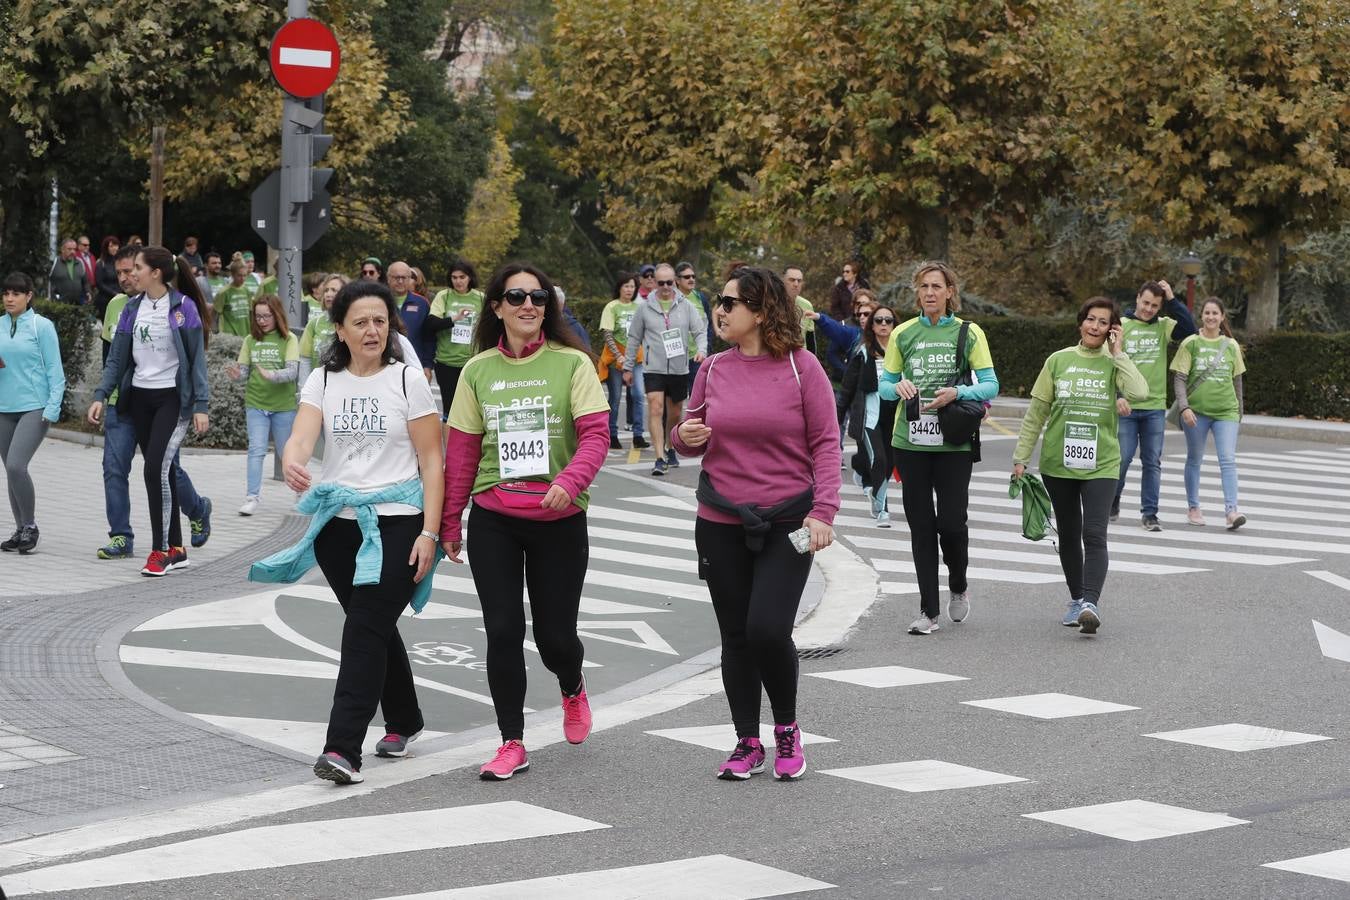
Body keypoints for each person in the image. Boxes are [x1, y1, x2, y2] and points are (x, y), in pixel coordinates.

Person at [255, 280, 443, 785]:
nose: (372, 330)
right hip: (338, 527)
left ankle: (342, 749)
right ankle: (405, 720)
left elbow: (432, 459)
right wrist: (293, 462)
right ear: (339, 328)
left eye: (380, 320)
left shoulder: (408, 381)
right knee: (373, 625)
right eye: (360, 321)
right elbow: (301, 437)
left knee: (363, 628)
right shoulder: (323, 380)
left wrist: (431, 532)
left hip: (399, 522)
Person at [440, 262, 610, 781]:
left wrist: (570, 481)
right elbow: (463, 452)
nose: (528, 306)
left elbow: (597, 436)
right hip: (495, 516)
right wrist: (451, 520)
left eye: (538, 298)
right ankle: (511, 741)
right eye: (516, 297)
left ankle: (572, 684)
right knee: (503, 630)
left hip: (559, 516)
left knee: (557, 637)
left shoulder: (573, 364)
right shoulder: (477, 370)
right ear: (497, 307)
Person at [671, 266, 840, 781]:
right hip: (720, 517)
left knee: (768, 629)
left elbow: (827, 444)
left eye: (730, 303)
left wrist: (823, 512)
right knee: (736, 635)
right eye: (720, 303)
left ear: (762, 311)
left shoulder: (801, 367)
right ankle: (747, 740)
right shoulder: (713, 368)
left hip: (788, 519)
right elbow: (685, 435)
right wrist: (685, 436)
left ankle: (786, 729)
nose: (720, 311)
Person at [1012, 297, 1148, 634]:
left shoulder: (1114, 364)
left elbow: (1140, 392)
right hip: (1058, 463)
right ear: (1080, 323)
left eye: (1103, 323)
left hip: (1102, 463)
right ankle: (1076, 599)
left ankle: (1091, 602)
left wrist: (1119, 354)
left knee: (1095, 533)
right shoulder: (1058, 361)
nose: (1095, 327)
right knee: (1070, 534)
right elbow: (1037, 413)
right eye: (1091, 320)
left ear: (1111, 330)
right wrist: (1021, 456)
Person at [880, 262, 999, 635]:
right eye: (923, 286)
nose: (929, 293)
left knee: (950, 523)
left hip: (952, 442)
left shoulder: (969, 332)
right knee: (921, 527)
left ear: (950, 292)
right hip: (910, 440)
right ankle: (928, 611)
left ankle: (958, 584)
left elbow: (991, 385)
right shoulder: (903, 333)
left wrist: (958, 393)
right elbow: (885, 384)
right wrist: (896, 388)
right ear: (917, 292)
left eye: (936, 286)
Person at [88, 246, 211, 577]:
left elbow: (197, 358)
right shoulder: (130, 309)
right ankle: (179, 548)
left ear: (155, 273)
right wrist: (101, 394)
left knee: (154, 468)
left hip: (172, 399)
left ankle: (159, 552)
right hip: (139, 399)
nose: (131, 274)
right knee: (165, 471)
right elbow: (117, 359)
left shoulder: (183, 308)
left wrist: (201, 404)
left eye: (137, 268)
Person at [1112, 279, 1197, 528]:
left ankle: (1150, 513)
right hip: (1126, 405)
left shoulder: (1163, 326)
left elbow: (1189, 329)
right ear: (1138, 298)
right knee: (1123, 458)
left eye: (1155, 305)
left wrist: (1172, 299)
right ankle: (1113, 500)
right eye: (1146, 302)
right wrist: (1118, 396)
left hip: (1154, 407)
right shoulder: (1122, 326)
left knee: (1152, 461)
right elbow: (1111, 363)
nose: (1149, 309)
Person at [0, 272, 65, 555]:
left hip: (34, 407)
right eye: (6, 293)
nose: (9, 298)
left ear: (29, 296)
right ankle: (19, 529)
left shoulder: (42, 326)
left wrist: (52, 407)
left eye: (16, 293)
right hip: (3, 407)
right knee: (10, 471)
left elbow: (55, 370)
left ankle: (30, 526)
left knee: (16, 465)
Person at [623, 262, 707, 476]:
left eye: (670, 282)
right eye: (661, 283)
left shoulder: (686, 305)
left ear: (675, 282)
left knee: (675, 412)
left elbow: (700, 331)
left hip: (679, 368)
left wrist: (702, 350)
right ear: (654, 284)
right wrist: (628, 367)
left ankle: (670, 447)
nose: (666, 287)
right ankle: (659, 457)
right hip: (654, 367)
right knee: (655, 407)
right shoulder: (644, 308)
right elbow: (633, 339)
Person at [1173, 297, 1248, 531]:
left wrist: (1239, 412)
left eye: (1215, 313)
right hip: (1196, 413)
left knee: (1228, 459)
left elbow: (1237, 381)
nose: (1211, 317)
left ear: (1222, 317)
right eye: (1207, 313)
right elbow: (1180, 379)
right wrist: (1184, 407)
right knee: (1195, 459)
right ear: (1202, 316)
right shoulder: (1191, 343)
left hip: (1226, 412)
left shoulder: (1231, 345)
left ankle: (1231, 511)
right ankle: (1193, 507)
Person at [227, 294, 300, 516]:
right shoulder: (250, 340)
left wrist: (272, 375)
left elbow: (292, 372)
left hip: (283, 405)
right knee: (256, 450)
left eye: (266, 316)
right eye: (258, 316)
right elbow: (244, 373)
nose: (261, 320)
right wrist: (236, 375)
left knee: (287, 453)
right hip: (256, 403)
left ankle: (300, 495)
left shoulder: (289, 339)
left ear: (276, 315)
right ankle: (251, 498)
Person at [840, 303, 899, 526]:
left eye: (888, 320)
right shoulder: (863, 352)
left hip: (894, 419)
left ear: (894, 325)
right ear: (872, 326)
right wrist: (837, 419)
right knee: (879, 459)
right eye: (879, 320)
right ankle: (882, 509)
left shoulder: (901, 351)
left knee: (889, 463)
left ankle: (876, 495)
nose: (884, 324)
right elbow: (847, 389)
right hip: (870, 418)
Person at [425, 260, 483, 419]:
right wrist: (454, 319)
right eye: (454, 277)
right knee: (449, 412)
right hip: (447, 361)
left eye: (462, 277)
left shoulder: (480, 298)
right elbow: (431, 323)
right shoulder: (444, 296)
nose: (458, 281)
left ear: (470, 277)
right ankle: (450, 445)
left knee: (472, 410)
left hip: (471, 361)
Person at [598, 272, 649, 451]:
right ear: (619, 288)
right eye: (626, 286)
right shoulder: (611, 307)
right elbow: (607, 334)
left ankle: (638, 434)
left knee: (638, 395)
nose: (629, 290)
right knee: (615, 398)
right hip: (616, 360)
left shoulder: (640, 308)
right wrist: (619, 356)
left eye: (632, 286)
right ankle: (612, 434)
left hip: (636, 360)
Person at [387, 261, 434, 382]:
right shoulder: (379, 301)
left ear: (410, 279)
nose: (400, 281)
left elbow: (429, 337)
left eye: (404, 277)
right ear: (388, 278)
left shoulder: (422, 303)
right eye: (396, 277)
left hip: (414, 365)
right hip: (385, 364)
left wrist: (427, 365)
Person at [300, 274, 347, 384]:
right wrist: (303, 388)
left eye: (334, 290)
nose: (328, 294)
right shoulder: (314, 323)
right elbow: (304, 360)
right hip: (318, 386)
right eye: (326, 290)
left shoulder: (352, 323)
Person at [677, 262, 712, 391]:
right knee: (674, 400)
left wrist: (706, 348)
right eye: (686, 277)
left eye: (693, 276)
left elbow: (707, 325)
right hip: (676, 357)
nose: (691, 279)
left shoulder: (700, 297)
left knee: (697, 395)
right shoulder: (670, 298)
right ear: (677, 280)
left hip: (697, 355)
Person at [215, 256, 254, 337]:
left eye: (245, 275)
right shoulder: (223, 292)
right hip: (229, 335)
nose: (242, 278)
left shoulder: (247, 290)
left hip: (245, 333)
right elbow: (216, 314)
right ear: (232, 274)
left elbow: (250, 312)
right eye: (239, 275)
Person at [47, 238, 89, 306]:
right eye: (69, 249)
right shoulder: (54, 262)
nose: (72, 252)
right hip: (60, 306)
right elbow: (49, 282)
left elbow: (85, 281)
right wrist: (52, 299)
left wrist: (88, 292)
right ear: (62, 249)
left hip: (78, 304)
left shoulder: (80, 262)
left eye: (74, 249)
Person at [784, 265, 816, 354]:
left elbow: (810, 339)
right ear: (783, 281)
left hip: (801, 358)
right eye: (792, 280)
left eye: (799, 281)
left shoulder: (807, 305)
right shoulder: (772, 303)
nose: (796, 284)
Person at [826, 258, 868, 322]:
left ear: (855, 274)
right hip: (845, 323)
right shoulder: (838, 289)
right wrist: (842, 321)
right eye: (843, 272)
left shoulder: (864, 286)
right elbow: (835, 308)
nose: (844, 274)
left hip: (863, 321)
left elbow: (870, 304)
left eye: (847, 271)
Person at [94, 236, 122, 315]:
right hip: (105, 300)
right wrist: (114, 293)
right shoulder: (101, 263)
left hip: (119, 298)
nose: (114, 248)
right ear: (106, 248)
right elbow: (100, 284)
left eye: (116, 245)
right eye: (111, 246)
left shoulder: (118, 262)